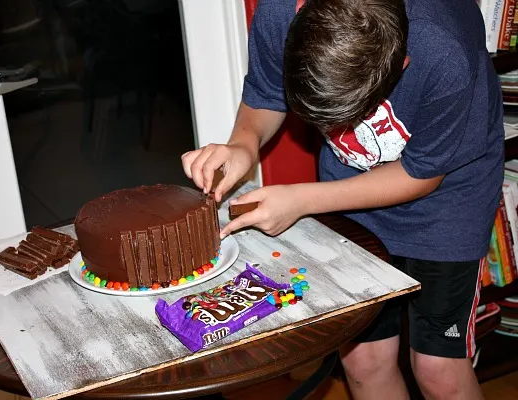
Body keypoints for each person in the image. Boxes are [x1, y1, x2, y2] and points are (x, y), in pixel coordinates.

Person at [181, 0, 505, 399]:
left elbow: (422, 175)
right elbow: (265, 95)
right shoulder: (280, 10)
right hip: (347, 193)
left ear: (401, 64)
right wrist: (243, 145)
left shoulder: (444, 49)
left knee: (439, 370)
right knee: (363, 361)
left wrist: (301, 200)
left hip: (450, 202)